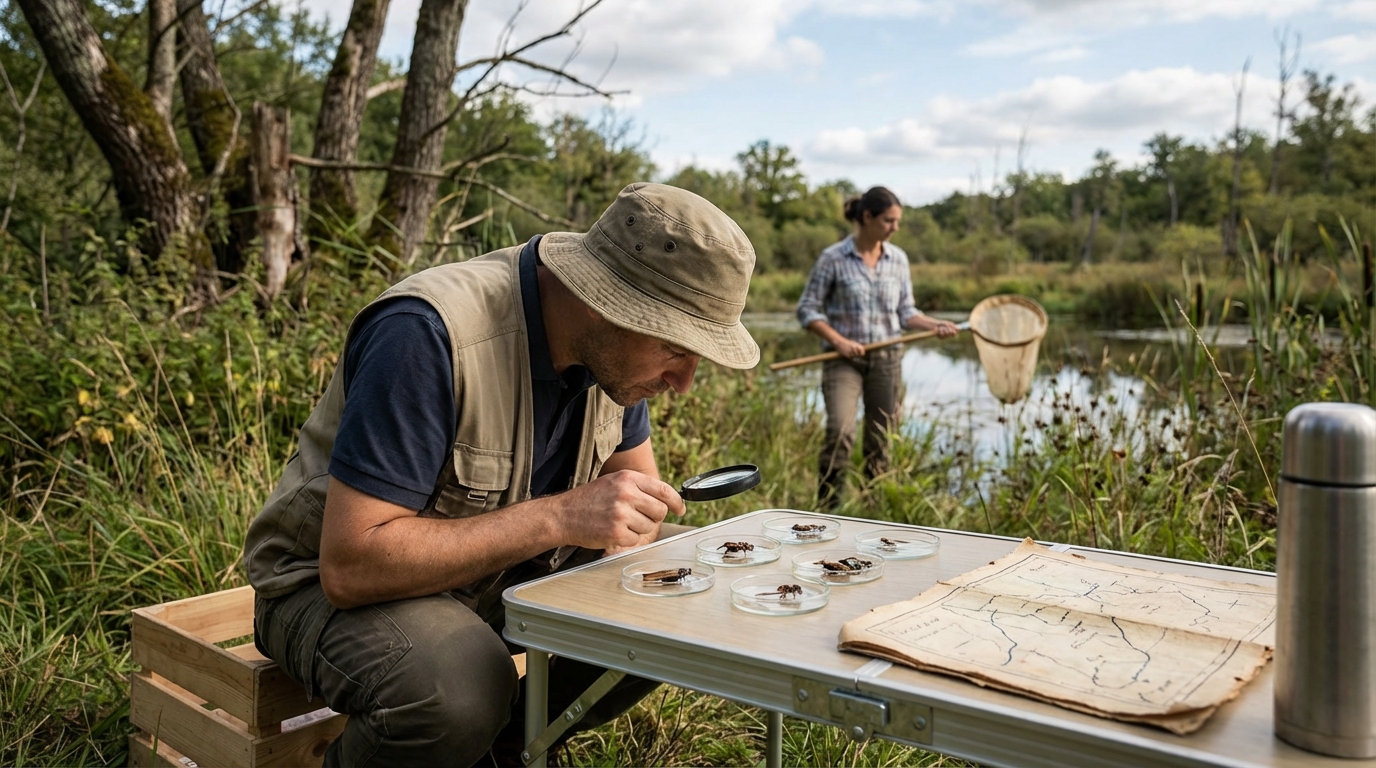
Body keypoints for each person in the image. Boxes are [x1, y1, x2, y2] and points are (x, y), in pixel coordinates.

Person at [243, 182, 759, 767]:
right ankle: (463, 731)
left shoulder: (615, 358)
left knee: (681, 579)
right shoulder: (424, 334)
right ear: (606, 302)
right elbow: (350, 566)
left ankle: (509, 747)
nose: (684, 382)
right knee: (459, 689)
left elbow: (634, 506)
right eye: (675, 349)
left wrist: (634, 524)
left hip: (488, 582)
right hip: (320, 586)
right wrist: (561, 517)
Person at [795, 186, 958, 509]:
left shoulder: (898, 259)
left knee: (880, 439)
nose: (895, 228)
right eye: (889, 221)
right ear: (867, 217)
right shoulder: (833, 258)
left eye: (897, 221)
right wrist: (840, 342)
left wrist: (934, 325)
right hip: (843, 362)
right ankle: (828, 509)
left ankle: (875, 508)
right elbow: (807, 309)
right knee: (840, 432)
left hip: (887, 361)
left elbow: (906, 312)